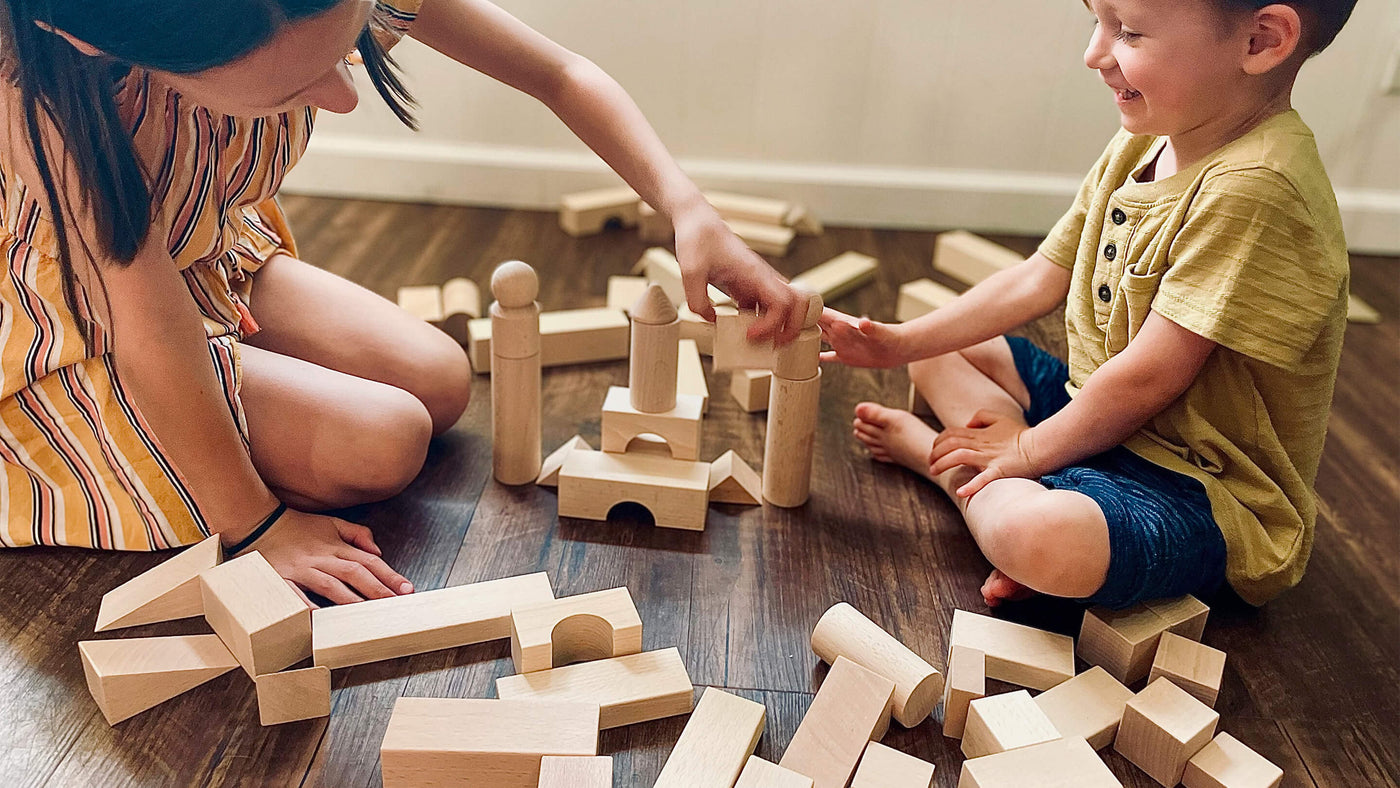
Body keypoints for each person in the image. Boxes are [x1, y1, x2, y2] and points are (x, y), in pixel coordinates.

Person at [0, 0, 805, 605]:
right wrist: (255, 526)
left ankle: (245, 386)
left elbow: (560, 73)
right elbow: (151, 330)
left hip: (209, 255)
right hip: (86, 324)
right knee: (385, 440)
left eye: (347, 48)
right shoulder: (45, 104)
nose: (342, 100)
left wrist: (687, 208)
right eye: (296, 86)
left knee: (439, 376)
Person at [821, 0, 1355, 609]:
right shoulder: (1147, 139)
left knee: (1040, 537)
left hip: (1193, 485)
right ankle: (1018, 494)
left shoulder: (1258, 189)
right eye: (1096, 22)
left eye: (1126, 31)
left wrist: (1026, 450)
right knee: (942, 352)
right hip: (1093, 412)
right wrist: (899, 342)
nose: (1094, 54)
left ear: (1261, 40)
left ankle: (952, 470)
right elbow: (1036, 278)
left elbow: (1150, 378)